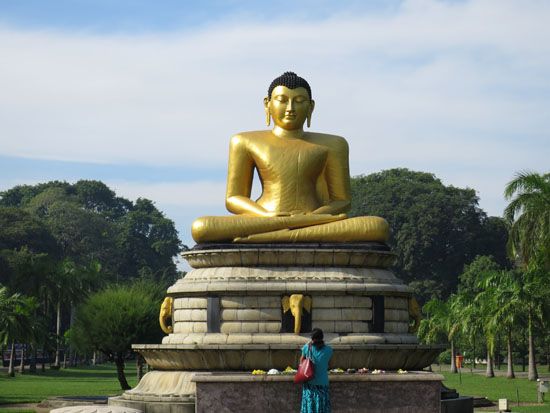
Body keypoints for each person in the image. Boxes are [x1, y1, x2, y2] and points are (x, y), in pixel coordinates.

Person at [191, 72, 389, 244]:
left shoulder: (333, 144)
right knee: (202, 227)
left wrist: (312, 217)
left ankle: (274, 236)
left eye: (300, 101)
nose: (291, 108)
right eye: (282, 100)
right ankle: (291, 232)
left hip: (313, 219)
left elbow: (342, 200)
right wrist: (268, 217)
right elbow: (234, 198)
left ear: (311, 107)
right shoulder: (244, 141)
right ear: (267, 104)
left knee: (377, 226)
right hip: (263, 219)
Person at [300, 328, 333, 413]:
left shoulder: (306, 348)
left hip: (309, 383)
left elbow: (301, 363)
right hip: (322, 384)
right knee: (322, 408)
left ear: (312, 338)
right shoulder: (329, 350)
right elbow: (330, 365)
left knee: (309, 407)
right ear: (322, 337)